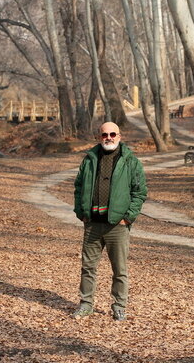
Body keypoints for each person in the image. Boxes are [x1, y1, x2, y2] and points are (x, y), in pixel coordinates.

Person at [72, 121, 147, 321]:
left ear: (119, 136)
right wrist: (81, 212)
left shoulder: (130, 161)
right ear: (99, 137)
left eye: (113, 134)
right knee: (88, 267)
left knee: (120, 269)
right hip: (93, 224)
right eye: (105, 135)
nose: (109, 138)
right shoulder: (89, 159)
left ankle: (119, 306)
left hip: (117, 225)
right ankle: (86, 304)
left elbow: (139, 192)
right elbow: (78, 187)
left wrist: (128, 217)